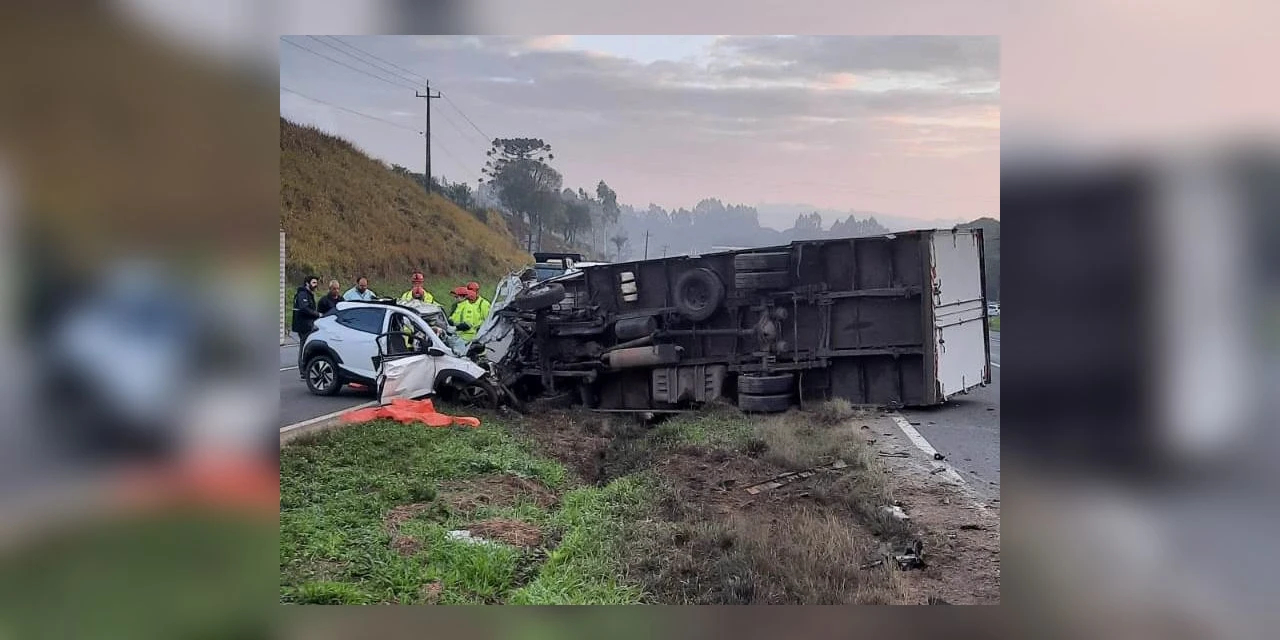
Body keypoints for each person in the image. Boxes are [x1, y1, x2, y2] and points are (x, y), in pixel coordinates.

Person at [291, 275, 320, 372]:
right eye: (314, 283)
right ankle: (303, 369)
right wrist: (317, 314)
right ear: (307, 283)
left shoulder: (308, 294)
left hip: (307, 324)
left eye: (316, 283)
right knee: (304, 347)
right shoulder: (303, 294)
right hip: (304, 325)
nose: (316, 285)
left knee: (306, 347)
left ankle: (306, 369)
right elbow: (304, 308)